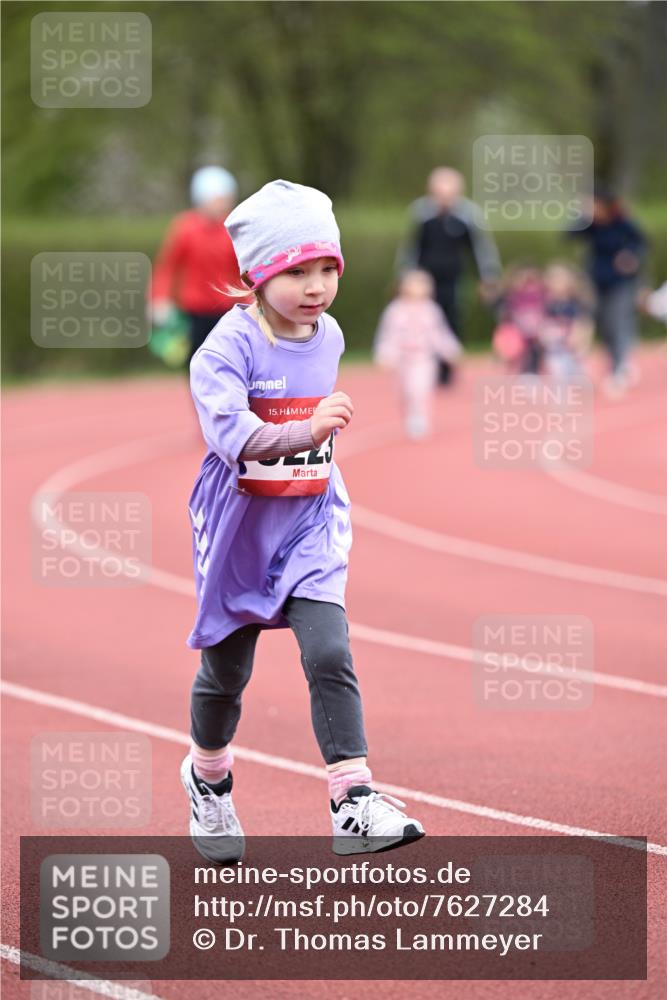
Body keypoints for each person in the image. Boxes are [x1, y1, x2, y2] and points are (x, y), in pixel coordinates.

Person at [181, 179, 425, 863]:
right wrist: (303, 430)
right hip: (238, 527)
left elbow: (314, 427)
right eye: (297, 272)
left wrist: (313, 441)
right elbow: (230, 433)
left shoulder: (331, 334)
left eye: (327, 269)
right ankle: (208, 777)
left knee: (327, 650)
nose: (316, 287)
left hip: (311, 518)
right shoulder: (224, 351)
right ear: (259, 275)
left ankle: (352, 799)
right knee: (226, 675)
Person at [398, 167, 502, 384]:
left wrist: (488, 277)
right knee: (423, 321)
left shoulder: (468, 216)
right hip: (424, 282)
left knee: (451, 319)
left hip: (453, 279)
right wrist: (405, 276)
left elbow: (481, 250)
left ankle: (447, 370)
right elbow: (410, 248)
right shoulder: (421, 214)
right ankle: (425, 367)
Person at [149, 166, 247, 365]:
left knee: (232, 360)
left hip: (229, 309)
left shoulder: (233, 228)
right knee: (196, 361)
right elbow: (167, 267)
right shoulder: (185, 228)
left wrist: (253, 300)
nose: (223, 205)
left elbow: (244, 271)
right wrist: (159, 299)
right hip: (194, 312)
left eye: (227, 199)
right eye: (218, 199)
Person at [569, 188, 647, 397]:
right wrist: (581, 216)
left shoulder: (622, 223)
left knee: (617, 322)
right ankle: (615, 361)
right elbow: (568, 234)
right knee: (602, 324)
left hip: (621, 283)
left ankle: (618, 368)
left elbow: (641, 243)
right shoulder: (591, 226)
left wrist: (630, 256)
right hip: (597, 283)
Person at [373, 269, 462, 438]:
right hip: (402, 360)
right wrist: (385, 354)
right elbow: (388, 334)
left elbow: (439, 333)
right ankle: (409, 413)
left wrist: (450, 350)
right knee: (405, 392)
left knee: (420, 389)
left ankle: (420, 418)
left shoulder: (431, 310)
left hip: (424, 359)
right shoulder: (395, 310)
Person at [540, 263, 594, 382]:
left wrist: (580, 338)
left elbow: (583, 323)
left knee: (573, 365)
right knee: (556, 367)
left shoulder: (574, 303)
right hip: (555, 344)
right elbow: (544, 322)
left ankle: (579, 374)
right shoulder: (547, 303)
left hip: (572, 343)